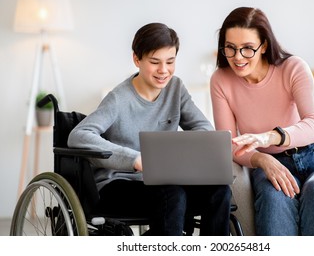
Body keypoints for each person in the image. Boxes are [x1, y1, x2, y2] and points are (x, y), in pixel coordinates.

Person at [68, 22, 231, 236]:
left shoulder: (176, 88)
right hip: (120, 183)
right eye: (155, 62)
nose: (164, 71)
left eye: (170, 62)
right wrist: (135, 159)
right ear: (137, 59)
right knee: (173, 194)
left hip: (166, 181)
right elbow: (78, 136)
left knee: (219, 190)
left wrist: (200, 152)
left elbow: (202, 127)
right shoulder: (118, 99)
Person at [210, 7, 314, 236]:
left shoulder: (293, 67)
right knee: (273, 198)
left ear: (264, 45)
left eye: (248, 48)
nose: (237, 57)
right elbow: (229, 143)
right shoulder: (221, 80)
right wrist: (261, 158)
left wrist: (270, 136)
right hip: (271, 164)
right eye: (230, 48)